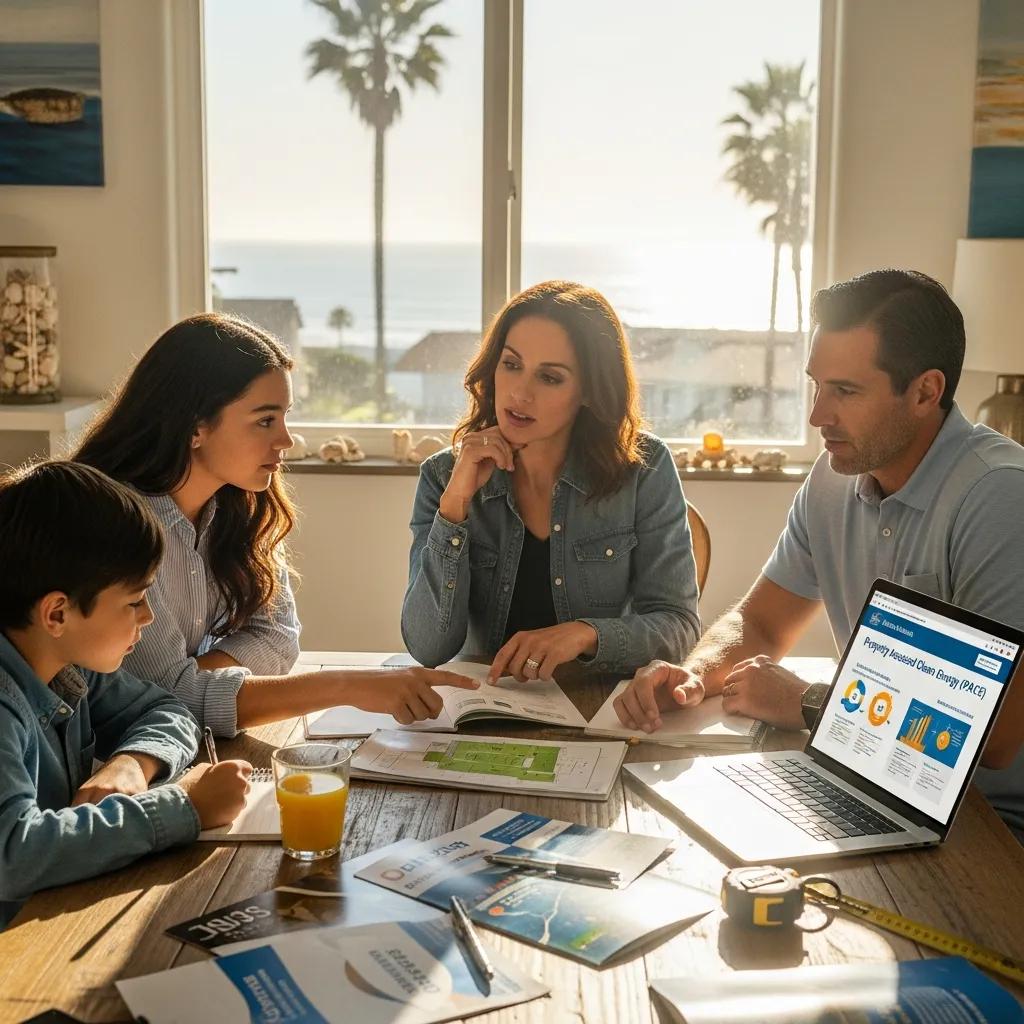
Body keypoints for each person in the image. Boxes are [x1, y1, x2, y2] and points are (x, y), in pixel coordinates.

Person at [613, 268, 1024, 837]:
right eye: (817, 386)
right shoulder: (834, 478)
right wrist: (692, 674)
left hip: (988, 821)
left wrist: (809, 703)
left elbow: (997, 737)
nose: (817, 416)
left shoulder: (1000, 496)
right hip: (872, 780)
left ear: (926, 391)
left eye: (846, 392)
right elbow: (759, 621)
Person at [74, 313, 478, 736]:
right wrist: (343, 685)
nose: (284, 439)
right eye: (265, 420)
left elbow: (279, 637)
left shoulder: (240, 507)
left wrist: (196, 682)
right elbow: (164, 704)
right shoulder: (113, 526)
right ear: (196, 427)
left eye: (284, 416)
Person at [402, 280, 701, 681]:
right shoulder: (443, 478)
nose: (520, 393)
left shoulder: (644, 470)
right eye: (511, 365)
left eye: (550, 378)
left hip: (599, 711)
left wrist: (584, 635)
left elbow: (679, 628)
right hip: (481, 714)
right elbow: (427, 648)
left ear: (590, 391)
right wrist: (455, 507)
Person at [0, 461, 253, 928]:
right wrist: (186, 808)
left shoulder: (62, 663)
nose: (148, 617)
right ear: (57, 613)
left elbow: (166, 708)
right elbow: (13, 854)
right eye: (135, 600)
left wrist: (135, 760)